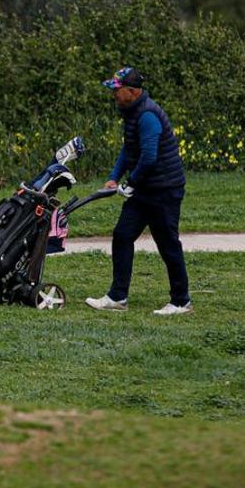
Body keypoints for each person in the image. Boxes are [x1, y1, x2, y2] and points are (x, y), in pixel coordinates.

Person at [86, 67, 192, 315]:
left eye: (117, 89)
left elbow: (149, 158)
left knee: (167, 244)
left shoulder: (147, 116)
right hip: (145, 189)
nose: (113, 94)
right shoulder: (131, 112)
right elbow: (129, 149)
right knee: (122, 236)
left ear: (132, 91)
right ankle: (117, 297)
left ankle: (181, 301)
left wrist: (130, 183)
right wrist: (114, 178)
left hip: (164, 190)